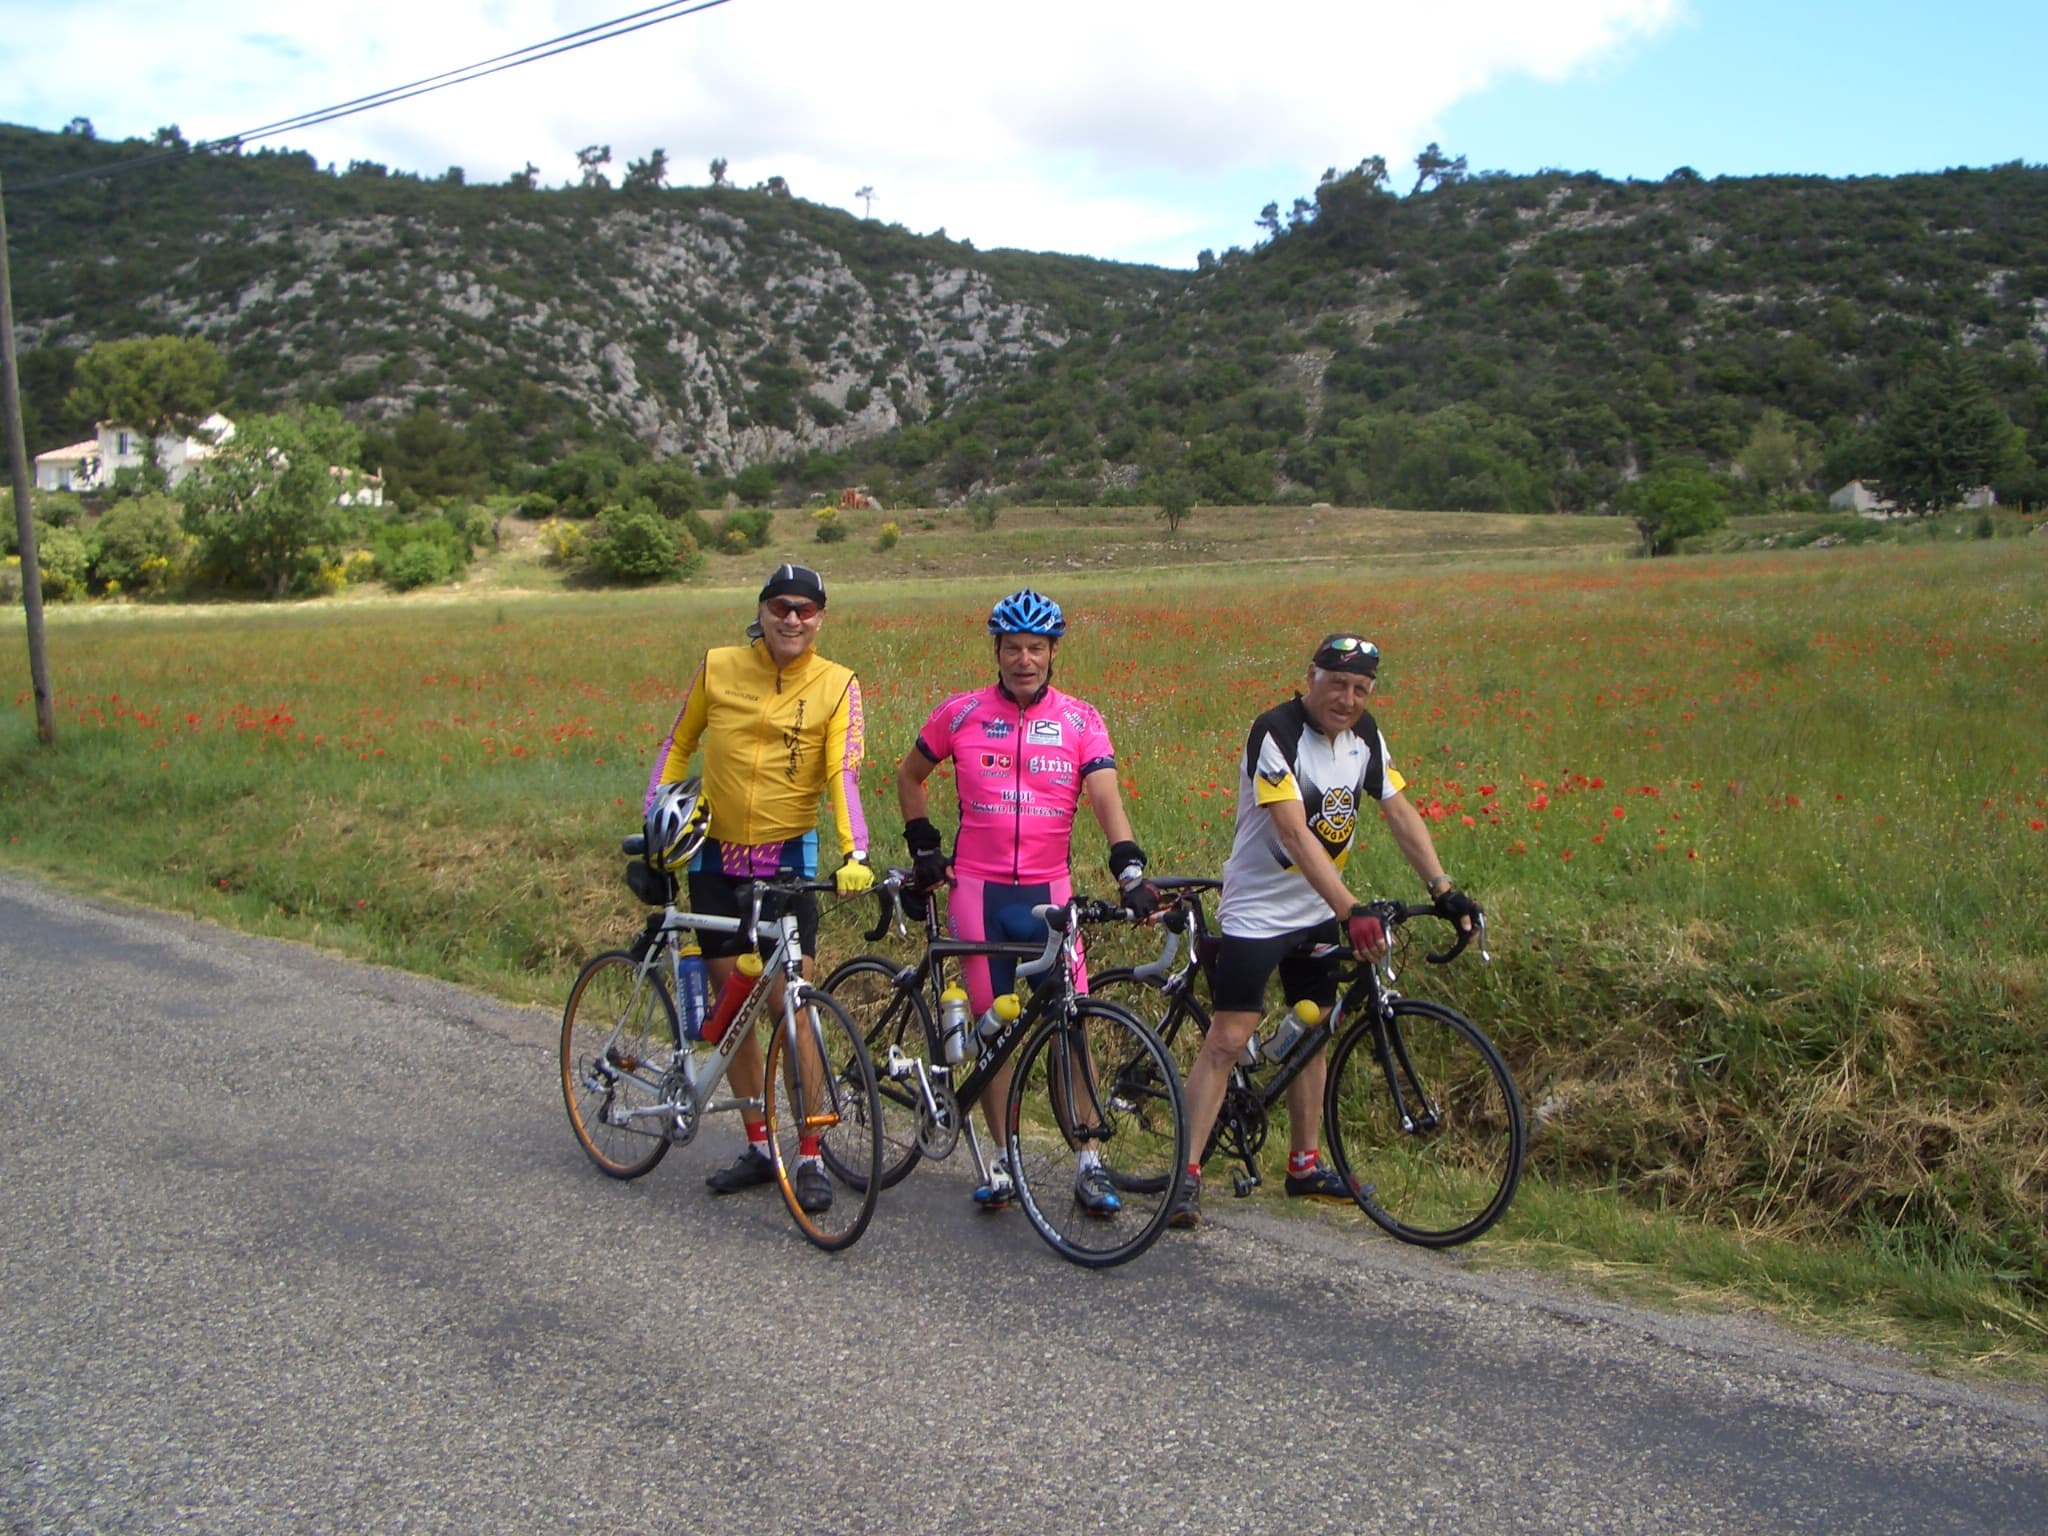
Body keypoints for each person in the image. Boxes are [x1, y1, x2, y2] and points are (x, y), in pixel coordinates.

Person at [1169, 633, 1482, 1229]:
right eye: (1336, 683)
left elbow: (1399, 812)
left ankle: (1304, 1165)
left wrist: (1443, 888)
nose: (1347, 698)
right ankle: (1185, 1175)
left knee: (1314, 1025)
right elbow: (1291, 832)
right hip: (1257, 909)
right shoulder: (1276, 731)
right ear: (1310, 677)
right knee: (1229, 1037)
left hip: (1314, 908)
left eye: (1360, 688)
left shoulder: (1365, 737)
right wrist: (1349, 908)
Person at [895, 588, 1157, 1216]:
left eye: (1035, 648)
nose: (1023, 660)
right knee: (995, 1032)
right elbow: (909, 776)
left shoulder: (1080, 719)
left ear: (1052, 652)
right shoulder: (959, 714)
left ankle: (1089, 1161)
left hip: (1049, 894)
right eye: (1012, 648)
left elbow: (1103, 795)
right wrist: (924, 845)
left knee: (1071, 1026)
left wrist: (1128, 865)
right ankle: (1005, 1163)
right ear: (997, 650)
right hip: (979, 894)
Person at [644, 563, 874, 1213]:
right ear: (763, 610)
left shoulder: (837, 684)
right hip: (714, 856)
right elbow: (678, 742)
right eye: (780, 606)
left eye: (805, 609)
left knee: (791, 1004)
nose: (792, 618)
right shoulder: (718, 666)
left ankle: (809, 1152)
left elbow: (844, 771)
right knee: (734, 1006)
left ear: (821, 617)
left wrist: (854, 849)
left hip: (788, 860)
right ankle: (756, 1143)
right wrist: (655, 817)